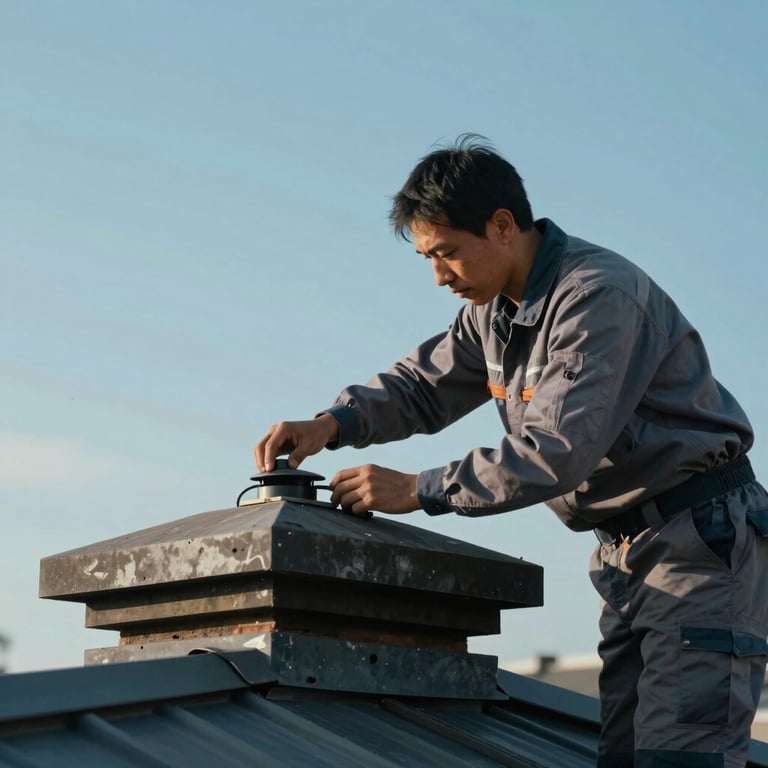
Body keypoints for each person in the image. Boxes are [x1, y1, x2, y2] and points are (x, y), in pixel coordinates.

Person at [254, 135, 768, 768]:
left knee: (681, 758)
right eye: (427, 258)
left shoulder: (596, 296)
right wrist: (330, 424)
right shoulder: (493, 312)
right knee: (625, 756)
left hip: (700, 544)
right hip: (626, 553)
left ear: (502, 227)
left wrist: (419, 489)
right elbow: (421, 385)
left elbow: (555, 450)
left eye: (447, 253)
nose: (439, 276)